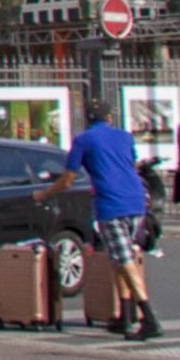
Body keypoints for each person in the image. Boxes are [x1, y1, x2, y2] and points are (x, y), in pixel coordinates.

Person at [52, 99, 162, 341]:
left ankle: (148, 317)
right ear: (110, 118)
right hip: (135, 202)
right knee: (120, 259)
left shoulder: (83, 140)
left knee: (124, 261)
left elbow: (68, 179)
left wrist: (45, 193)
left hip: (111, 205)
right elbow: (130, 165)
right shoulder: (124, 137)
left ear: (88, 120)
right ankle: (124, 315)